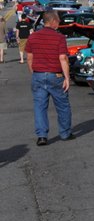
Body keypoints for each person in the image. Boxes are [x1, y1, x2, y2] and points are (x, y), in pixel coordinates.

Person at [24, 10, 73, 145]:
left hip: (38, 74)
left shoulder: (33, 37)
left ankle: (42, 136)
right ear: (52, 21)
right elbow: (63, 58)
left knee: (39, 106)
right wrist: (67, 78)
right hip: (55, 75)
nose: (59, 23)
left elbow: (29, 57)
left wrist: (34, 72)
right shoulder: (59, 38)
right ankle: (64, 133)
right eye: (58, 21)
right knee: (63, 106)